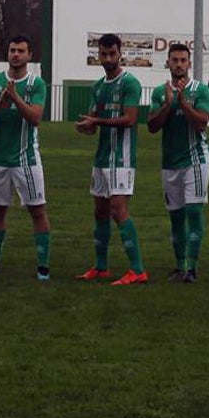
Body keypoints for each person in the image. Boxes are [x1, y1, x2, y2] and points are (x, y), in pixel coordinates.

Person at [0, 35, 53, 280]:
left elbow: (36, 118)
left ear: (29, 56)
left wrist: (15, 98)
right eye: (12, 50)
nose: (16, 54)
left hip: (26, 160)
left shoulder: (36, 84)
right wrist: (1, 102)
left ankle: (43, 267)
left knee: (37, 211)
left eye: (21, 51)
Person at [74, 33, 147, 285]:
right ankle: (101, 267)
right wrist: (86, 126)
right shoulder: (97, 87)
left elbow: (130, 119)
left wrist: (97, 121)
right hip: (102, 158)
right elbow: (93, 122)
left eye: (112, 54)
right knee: (100, 211)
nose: (107, 59)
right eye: (103, 54)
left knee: (118, 209)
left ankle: (137, 270)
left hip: (122, 158)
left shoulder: (130, 83)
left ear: (120, 53)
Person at [147, 42, 209, 282]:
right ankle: (179, 265)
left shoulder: (201, 90)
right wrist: (168, 104)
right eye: (174, 60)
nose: (178, 64)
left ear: (189, 63)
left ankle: (192, 268)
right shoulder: (160, 91)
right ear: (168, 63)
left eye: (183, 60)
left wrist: (183, 103)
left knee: (193, 211)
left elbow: (202, 123)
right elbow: (152, 126)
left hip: (195, 159)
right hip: (169, 162)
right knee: (175, 216)